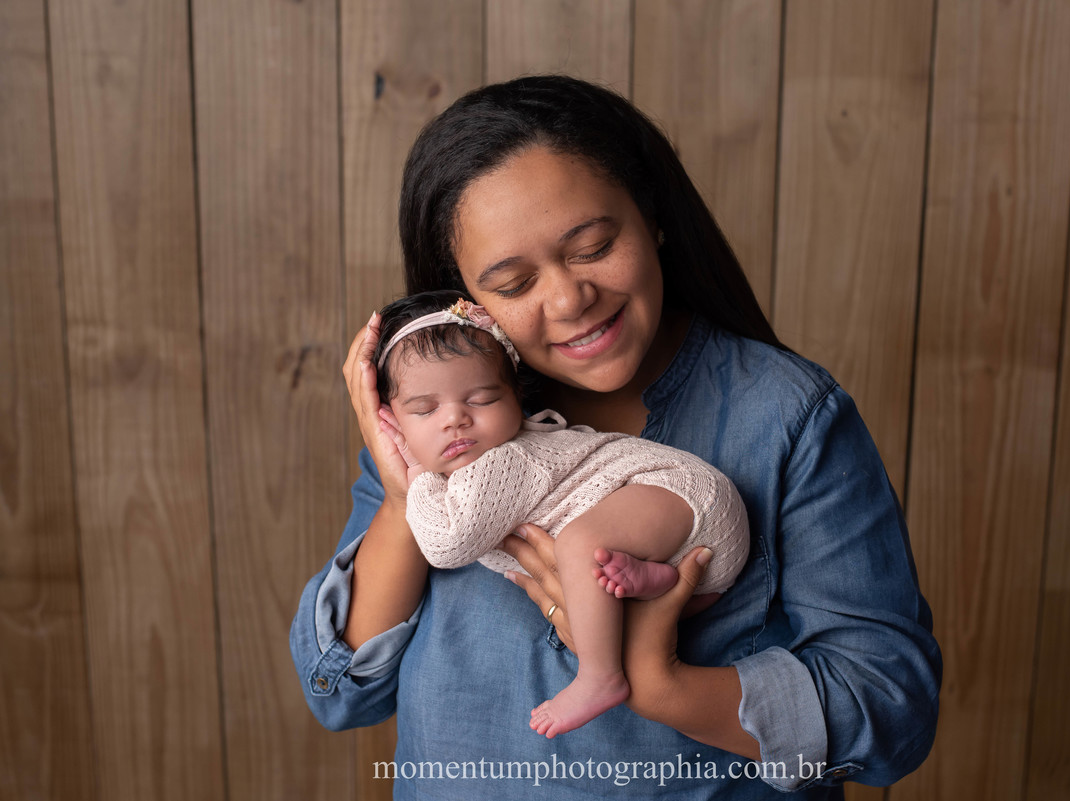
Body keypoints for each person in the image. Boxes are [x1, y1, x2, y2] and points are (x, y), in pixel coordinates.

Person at [291, 75, 941, 799]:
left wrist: (661, 684)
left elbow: (891, 710)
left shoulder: (786, 417)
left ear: (652, 216)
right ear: (465, 300)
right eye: (512, 283)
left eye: (593, 245)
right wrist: (399, 494)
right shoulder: (444, 424)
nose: (569, 299)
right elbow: (340, 690)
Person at [372, 291, 749, 738]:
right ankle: (653, 578)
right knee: (594, 557)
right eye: (425, 409)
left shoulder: (503, 462)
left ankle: (600, 677)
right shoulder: (464, 474)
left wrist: (410, 470)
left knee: (579, 543)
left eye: (482, 399)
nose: (455, 420)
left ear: (516, 398)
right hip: (681, 553)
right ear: (392, 420)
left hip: (687, 496)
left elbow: (444, 543)